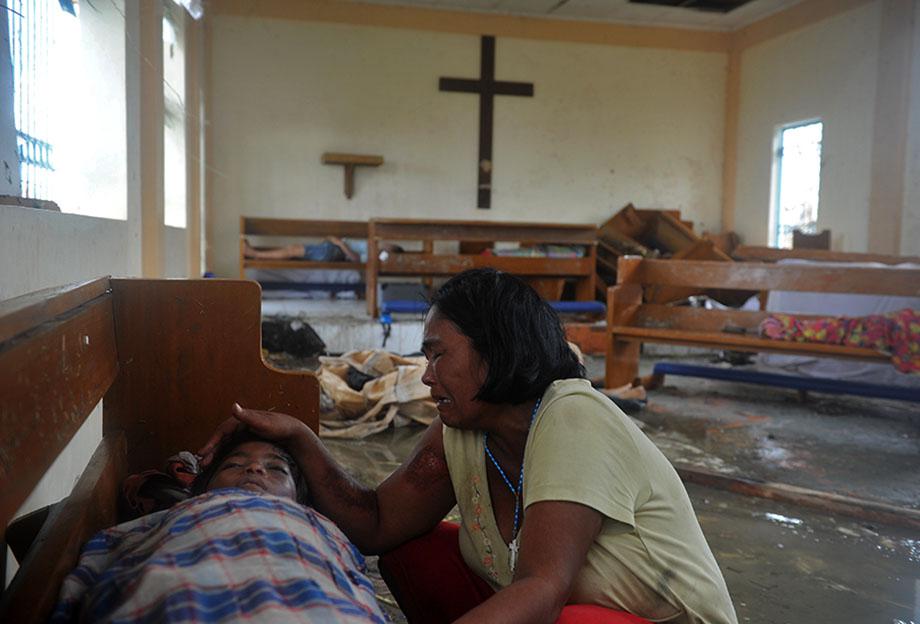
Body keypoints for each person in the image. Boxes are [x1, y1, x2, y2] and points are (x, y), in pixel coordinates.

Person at [199, 268, 738, 624]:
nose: (426, 377)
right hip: (563, 609)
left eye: (438, 356)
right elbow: (380, 522)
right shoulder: (464, 428)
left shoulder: (573, 417)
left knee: (573, 620)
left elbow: (543, 590)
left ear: (496, 352)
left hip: (648, 618)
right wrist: (300, 437)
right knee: (413, 550)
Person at [52, 431, 387, 624]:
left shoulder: (316, 526)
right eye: (234, 464)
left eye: (276, 469)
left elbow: (345, 569)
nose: (255, 468)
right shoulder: (181, 515)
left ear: (300, 502)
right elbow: (112, 551)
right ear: (203, 491)